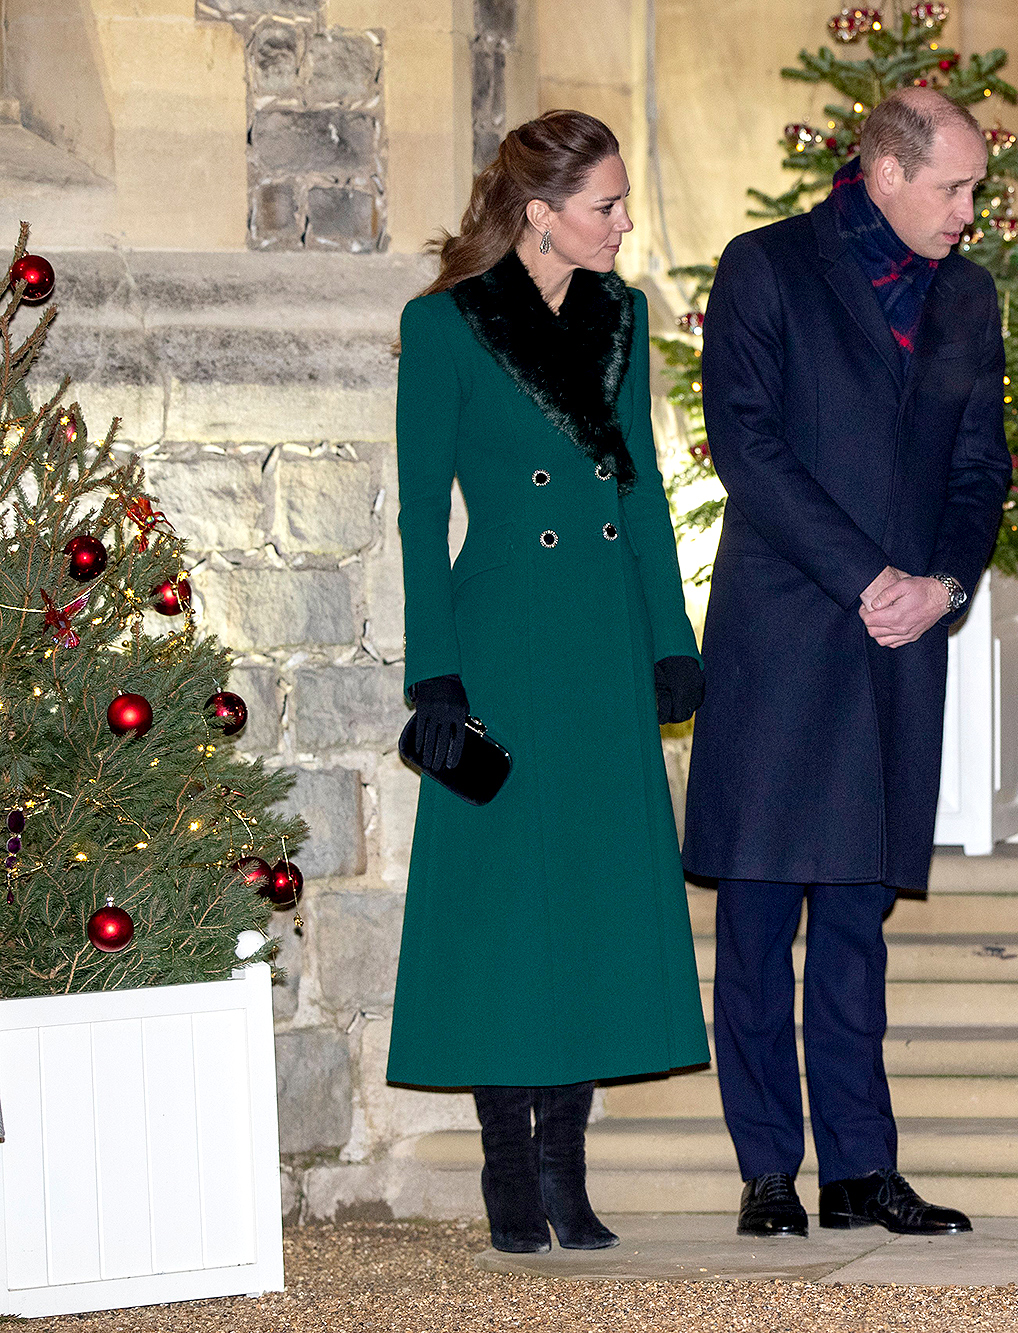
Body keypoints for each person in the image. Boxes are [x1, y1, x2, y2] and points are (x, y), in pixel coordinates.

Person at [682, 86, 1011, 1240]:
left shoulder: (967, 297)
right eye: (952, 186)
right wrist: (864, 573)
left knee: (858, 923)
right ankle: (769, 1168)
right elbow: (746, 442)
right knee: (762, 916)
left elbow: (981, 470)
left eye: (973, 188)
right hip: (784, 631)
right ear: (882, 169)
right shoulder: (766, 266)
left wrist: (943, 586)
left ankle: (862, 1168)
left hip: (898, 643)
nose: (968, 211)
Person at [388, 110, 709, 1256]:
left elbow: (645, 494)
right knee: (501, 906)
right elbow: (423, 514)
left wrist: (671, 635)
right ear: (541, 213)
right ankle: (507, 1168)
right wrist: (435, 675)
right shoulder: (445, 327)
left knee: (591, 896)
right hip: (503, 640)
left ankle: (569, 1170)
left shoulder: (622, 320)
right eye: (606, 206)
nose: (624, 224)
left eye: (621, 204)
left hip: (603, 646)